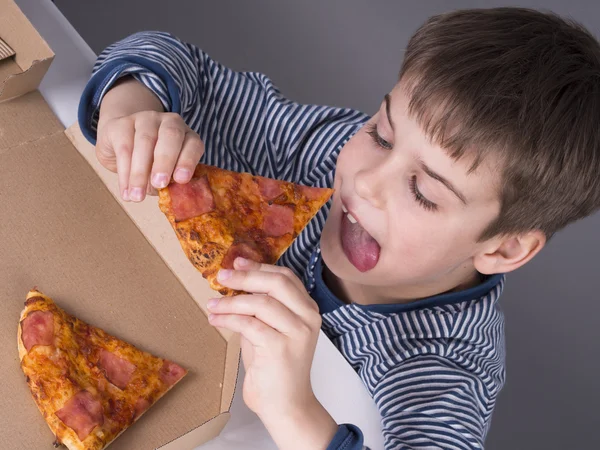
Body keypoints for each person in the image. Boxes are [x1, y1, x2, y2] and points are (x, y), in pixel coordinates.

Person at [78, 7, 600, 450]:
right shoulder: (332, 149)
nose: (366, 182)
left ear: (505, 248)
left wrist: (294, 411)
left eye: (423, 192)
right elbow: (175, 61)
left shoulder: (448, 370)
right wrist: (133, 112)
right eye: (382, 133)